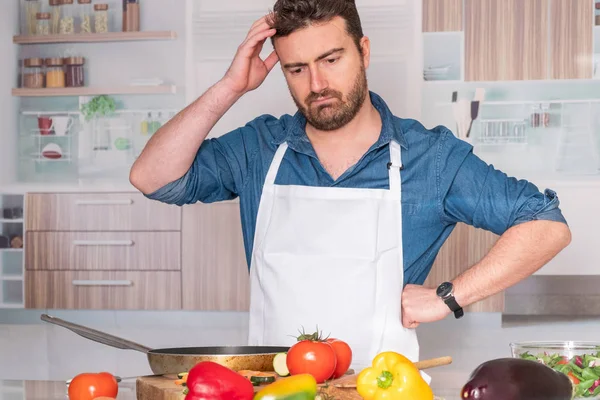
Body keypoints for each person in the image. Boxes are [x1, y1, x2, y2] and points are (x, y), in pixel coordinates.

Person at [129, 0, 571, 371]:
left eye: (331, 59)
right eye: (296, 69)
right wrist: (230, 87)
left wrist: (449, 297)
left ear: (363, 51)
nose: (317, 84)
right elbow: (151, 177)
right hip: (279, 390)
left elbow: (546, 224)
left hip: (382, 391)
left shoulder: (429, 157)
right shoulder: (259, 148)